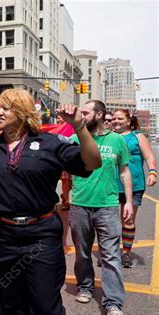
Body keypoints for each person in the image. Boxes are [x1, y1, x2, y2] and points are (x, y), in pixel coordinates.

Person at [0, 89, 101, 314]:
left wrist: (79, 127)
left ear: (23, 112)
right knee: (7, 305)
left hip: (41, 235)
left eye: (6, 108)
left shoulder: (49, 143)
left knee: (45, 306)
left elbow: (92, 162)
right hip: (1, 237)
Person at [69, 100, 133, 315]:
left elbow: (124, 171)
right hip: (80, 205)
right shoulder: (73, 139)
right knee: (82, 253)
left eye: (85, 113)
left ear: (98, 115)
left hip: (108, 206)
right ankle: (85, 287)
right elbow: (64, 170)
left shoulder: (116, 140)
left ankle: (113, 301)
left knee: (111, 255)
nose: (81, 116)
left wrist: (129, 202)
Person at [112, 109, 157, 268]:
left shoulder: (138, 137)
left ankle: (126, 253)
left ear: (128, 120)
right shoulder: (109, 137)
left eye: (119, 118)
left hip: (134, 184)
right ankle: (111, 252)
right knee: (108, 221)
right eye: (113, 119)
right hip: (110, 185)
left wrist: (152, 172)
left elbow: (149, 157)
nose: (116, 121)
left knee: (128, 219)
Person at [57, 115, 73, 211]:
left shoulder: (70, 126)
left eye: (61, 117)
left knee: (71, 182)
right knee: (64, 180)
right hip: (59, 159)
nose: (59, 119)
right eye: (58, 118)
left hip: (70, 158)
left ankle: (64, 195)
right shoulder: (56, 129)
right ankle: (66, 201)